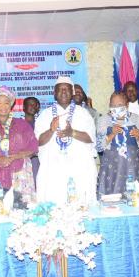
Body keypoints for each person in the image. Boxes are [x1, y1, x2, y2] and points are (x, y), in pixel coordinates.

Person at [35, 77, 97, 205]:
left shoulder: (83, 114)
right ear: (54, 93)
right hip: (52, 170)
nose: (63, 92)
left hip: (79, 169)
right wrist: (51, 130)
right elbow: (38, 142)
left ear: (72, 92)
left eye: (67, 89)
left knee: (81, 204)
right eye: (60, 89)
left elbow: (90, 138)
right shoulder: (45, 115)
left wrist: (72, 132)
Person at [96, 93, 139, 196]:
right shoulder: (103, 120)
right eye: (113, 105)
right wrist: (111, 134)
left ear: (127, 105)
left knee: (134, 198)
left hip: (133, 165)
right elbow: (99, 147)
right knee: (112, 198)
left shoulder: (135, 118)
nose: (116, 108)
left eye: (119, 105)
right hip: (112, 167)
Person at [23, 96, 40, 185]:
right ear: (24, 108)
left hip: (38, 160)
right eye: (30, 104)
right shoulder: (17, 125)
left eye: (35, 105)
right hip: (23, 162)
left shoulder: (41, 124)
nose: (33, 106)